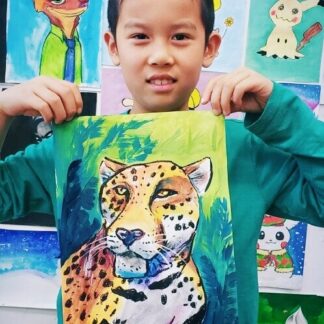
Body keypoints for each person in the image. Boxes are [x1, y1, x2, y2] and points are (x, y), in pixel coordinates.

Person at [0, 0, 323, 323]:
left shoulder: (244, 148)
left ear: (209, 48)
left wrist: (282, 112)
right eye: (140, 36)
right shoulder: (76, 151)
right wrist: (2, 111)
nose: (160, 56)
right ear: (113, 46)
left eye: (180, 36)